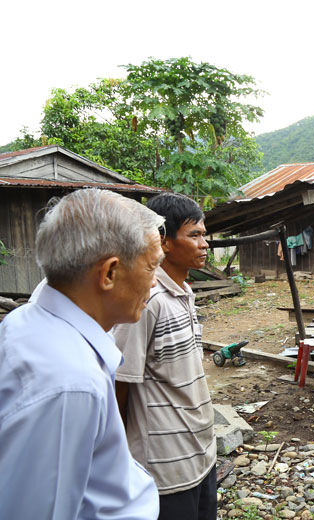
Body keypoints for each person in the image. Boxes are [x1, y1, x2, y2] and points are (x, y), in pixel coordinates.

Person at [0, 188, 162, 519]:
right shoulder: (70, 384)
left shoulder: (28, 321)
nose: (155, 283)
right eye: (152, 266)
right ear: (109, 274)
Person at [113, 192, 216, 520]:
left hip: (201, 453)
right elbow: (119, 384)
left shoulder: (185, 293)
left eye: (204, 234)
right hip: (164, 468)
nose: (205, 244)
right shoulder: (147, 301)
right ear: (164, 241)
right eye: (194, 235)